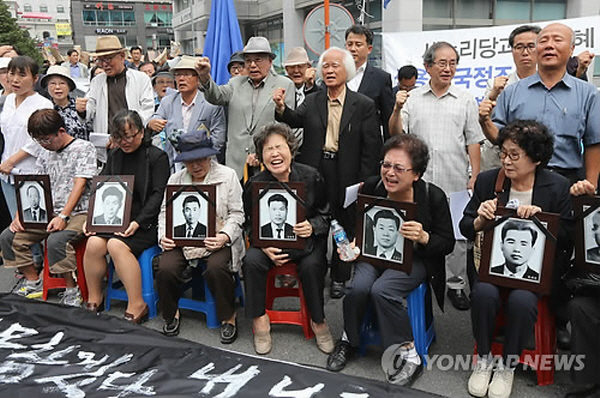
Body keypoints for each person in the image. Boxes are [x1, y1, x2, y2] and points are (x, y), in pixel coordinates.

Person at [327, 134, 455, 387]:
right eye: (386, 165)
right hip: (373, 256)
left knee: (383, 290)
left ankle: (409, 353)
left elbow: (447, 243)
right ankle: (348, 339)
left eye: (399, 168)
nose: (390, 173)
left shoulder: (432, 196)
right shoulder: (372, 187)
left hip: (413, 259)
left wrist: (424, 237)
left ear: (416, 174)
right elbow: (357, 227)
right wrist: (353, 244)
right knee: (358, 287)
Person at [459, 120, 573, 398]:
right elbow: (464, 226)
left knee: (523, 300)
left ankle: (508, 365)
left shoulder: (557, 187)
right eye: (503, 153)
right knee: (483, 293)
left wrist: (542, 220)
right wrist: (480, 220)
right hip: (492, 268)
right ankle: (484, 359)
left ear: (536, 159)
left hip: (535, 275)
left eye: (514, 155)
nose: (506, 162)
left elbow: (570, 237)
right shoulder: (489, 181)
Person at [273, 46, 382, 299]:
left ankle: (341, 276)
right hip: (315, 169)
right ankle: (315, 269)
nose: (330, 70)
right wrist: (280, 107)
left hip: (348, 172)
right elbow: (294, 119)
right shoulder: (312, 100)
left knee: (345, 224)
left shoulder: (363, 104)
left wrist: (365, 181)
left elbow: (371, 147)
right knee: (315, 219)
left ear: (349, 71)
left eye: (336, 65)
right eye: (326, 66)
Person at [389, 41, 484, 312]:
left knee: (455, 234)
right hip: (419, 181)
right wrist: (396, 109)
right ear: (428, 66)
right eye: (442, 63)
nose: (448, 68)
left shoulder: (466, 98)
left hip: (454, 176)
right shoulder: (413, 98)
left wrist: (475, 174)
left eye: (453, 63)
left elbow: (473, 140)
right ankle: (413, 273)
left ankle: (455, 285)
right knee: (415, 228)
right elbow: (397, 134)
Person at [243, 123, 334, 355]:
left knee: (313, 265)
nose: (274, 153)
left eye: (279, 147)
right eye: (268, 149)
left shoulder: (311, 176)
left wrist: (312, 227)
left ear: (291, 149)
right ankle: (260, 320)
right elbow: (249, 223)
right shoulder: (255, 184)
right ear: (261, 156)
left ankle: (318, 321)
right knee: (251, 261)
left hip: (306, 244)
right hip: (270, 245)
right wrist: (262, 245)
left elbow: (327, 214)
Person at [0, 109, 96, 304]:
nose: (44, 144)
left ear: (61, 131)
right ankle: (33, 280)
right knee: (9, 237)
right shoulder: (44, 151)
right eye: (39, 141)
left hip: (79, 212)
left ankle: (71, 288)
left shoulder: (84, 148)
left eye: (47, 140)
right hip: (47, 210)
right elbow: (35, 183)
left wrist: (63, 216)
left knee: (57, 240)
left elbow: (80, 184)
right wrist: (21, 214)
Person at [157, 132, 244, 341]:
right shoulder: (175, 179)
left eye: (200, 159)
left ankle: (228, 317)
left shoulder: (228, 175)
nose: (195, 166)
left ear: (209, 157)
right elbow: (164, 213)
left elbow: (238, 214)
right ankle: (171, 313)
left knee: (216, 268)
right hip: (183, 240)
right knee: (165, 267)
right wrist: (163, 237)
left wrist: (224, 236)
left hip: (217, 237)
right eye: (189, 161)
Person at [83, 110, 169, 322]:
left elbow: (160, 195)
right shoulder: (115, 155)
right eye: (119, 137)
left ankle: (137, 303)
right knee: (93, 242)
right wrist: (92, 218)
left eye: (129, 137)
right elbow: (102, 186)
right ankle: (95, 297)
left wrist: (138, 222)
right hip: (116, 218)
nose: (124, 142)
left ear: (141, 132)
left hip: (147, 223)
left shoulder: (157, 157)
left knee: (115, 245)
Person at [196, 36, 296, 179]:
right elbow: (216, 96)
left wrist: (262, 152)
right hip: (236, 164)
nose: (252, 65)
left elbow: (286, 126)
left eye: (258, 60)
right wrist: (205, 77)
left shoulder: (285, 85)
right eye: (248, 61)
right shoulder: (235, 83)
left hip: (268, 163)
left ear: (270, 61)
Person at [76, 36, 154, 163]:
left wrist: (125, 135)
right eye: (100, 60)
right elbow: (90, 110)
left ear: (122, 56)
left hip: (134, 143)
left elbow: (147, 110)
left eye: (108, 58)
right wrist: (82, 110)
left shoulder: (140, 79)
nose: (104, 64)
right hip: (107, 144)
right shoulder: (97, 81)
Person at [148, 56, 226, 174]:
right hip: (175, 167)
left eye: (187, 74)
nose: (181, 79)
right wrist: (152, 123)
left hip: (204, 166)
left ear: (198, 78)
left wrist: (195, 151)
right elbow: (156, 118)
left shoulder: (211, 103)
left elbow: (218, 139)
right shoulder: (167, 101)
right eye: (178, 75)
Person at [481, 25, 541, 172]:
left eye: (531, 46)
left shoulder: (548, 84)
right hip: (500, 161)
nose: (525, 52)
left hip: (536, 159)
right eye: (519, 47)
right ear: (512, 51)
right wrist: (494, 93)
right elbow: (485, 120)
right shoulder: (498, 84)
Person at [0, 56, 53, 218]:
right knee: (14, 222)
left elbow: (38, 141)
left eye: (22, 75)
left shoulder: (43, 104)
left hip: (30, 171)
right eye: (12, 73)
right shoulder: (8, 101)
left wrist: (12, 161)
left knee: (32, 222)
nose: (15, 80)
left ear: (35, 79)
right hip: (6, 172)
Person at [345, 25, 394, 141]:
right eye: (349, 44)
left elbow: (387, 117)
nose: (353, 49)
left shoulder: (381, 78)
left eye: (358, 45)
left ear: (369, 49)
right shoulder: (336, 75)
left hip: (368, 146)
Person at [41, 65, 92, 141]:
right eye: (53, 83)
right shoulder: (44, 109)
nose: (57, 87)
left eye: (62, 83)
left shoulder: (80, 107)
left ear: (69, 87)